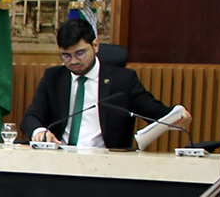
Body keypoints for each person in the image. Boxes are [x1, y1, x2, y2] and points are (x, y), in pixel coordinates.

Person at [22, 17, 188, 149]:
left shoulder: (123, 80)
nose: (73, 61)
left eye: (80, 53)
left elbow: (154, 112)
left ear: (95, 46)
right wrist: (40, 131)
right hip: (60, 158)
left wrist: (177, 115)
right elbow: (31, 117)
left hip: (105, 162)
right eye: (66, 56)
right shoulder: (54, 78)